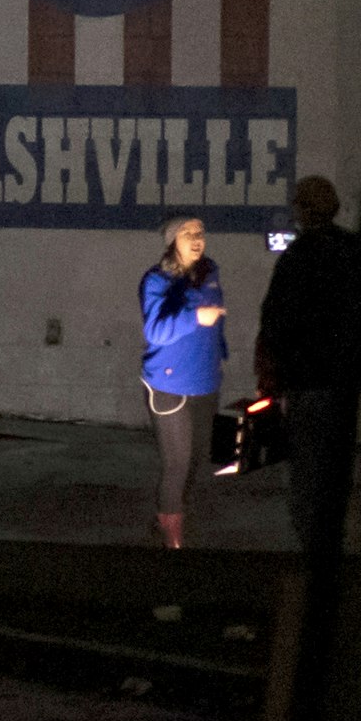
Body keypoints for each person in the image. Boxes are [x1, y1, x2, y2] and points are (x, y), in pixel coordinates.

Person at [255, 174, 361, 559]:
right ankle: (331, 542)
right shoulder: (354, 250)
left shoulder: (298, 258)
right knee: (337, 466)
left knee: (307, 466)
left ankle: (312, 547)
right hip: (346, 377)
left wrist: (272, 369)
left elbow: (275, 319)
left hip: (307, 377)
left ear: (303, 210)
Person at [139, 214, 227, 547]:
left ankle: (168, 511)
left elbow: (214, 323)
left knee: (196, 460)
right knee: (176, 463)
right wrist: (195, 318)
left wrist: (219, 354)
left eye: (200, 232)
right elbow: (155, 331)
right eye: (186, 233)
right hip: (167, 385)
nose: (196, 238)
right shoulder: (157, 281)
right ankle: (172, 539)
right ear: (172, 241)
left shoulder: (210, 272)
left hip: (205, 384)